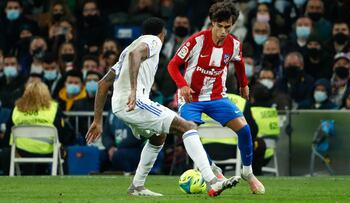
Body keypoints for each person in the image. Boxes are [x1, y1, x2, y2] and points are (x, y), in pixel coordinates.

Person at [85, 17, 240, 197]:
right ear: (163, 33)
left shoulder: (127, 49)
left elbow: (103, 84)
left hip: (121, 106)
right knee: (188, 127)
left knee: (159, 136)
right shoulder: (153, 41)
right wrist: (134, 90)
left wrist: (98, 120)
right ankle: (213, 180)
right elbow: (136, 55)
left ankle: (137, 186)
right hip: (135, 101)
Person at [167, 1, 265, 194]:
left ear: (232, 24)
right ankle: (212, 170)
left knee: (244, 130)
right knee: (189, 133)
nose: (223, 31)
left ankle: (248, 173)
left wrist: (244, 84)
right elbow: (172, 65)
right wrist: (182, 85)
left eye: (227, 27)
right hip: (191, 98)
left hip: (217, 96)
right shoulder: (196, 41)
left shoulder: (235, 44)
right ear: (212, 23)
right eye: (219, 26)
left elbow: (239, 63)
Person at [4, 81, 72, 175]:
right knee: (64, 150)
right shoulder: (53, 108)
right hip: (48, 150)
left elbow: (8, 133)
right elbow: (62, 134)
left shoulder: (17, 109)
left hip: (21, 151)